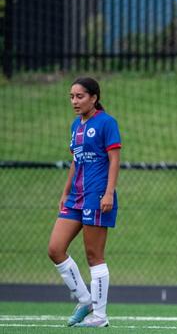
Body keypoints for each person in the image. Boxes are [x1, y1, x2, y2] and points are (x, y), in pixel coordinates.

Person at [47, 77, 121, 327]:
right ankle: (84, 299)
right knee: (55, 249)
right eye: (71, 97)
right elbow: (76, 161)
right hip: (76, 197)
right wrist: (65, 192)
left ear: (94, 98)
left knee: (94, 256)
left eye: (79, 96)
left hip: (97, 195)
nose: (74, 101)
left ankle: (100, 316)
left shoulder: (107, 123)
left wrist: (109, 192)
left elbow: (114, 159)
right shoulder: (75, 126)